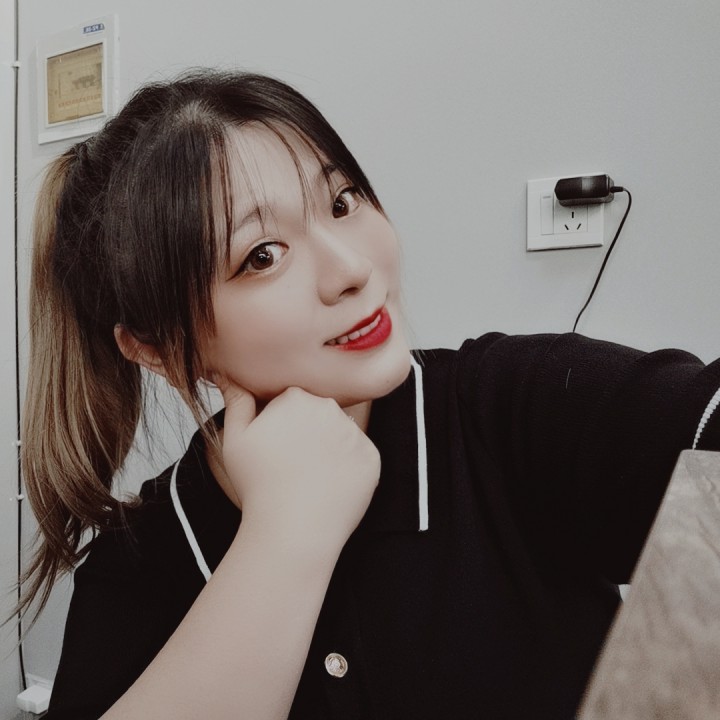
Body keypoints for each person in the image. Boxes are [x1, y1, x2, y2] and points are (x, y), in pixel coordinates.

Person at [20, 69, 720, 720]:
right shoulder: (139, 566)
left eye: (341, 202)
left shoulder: (514, 403)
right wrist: (285, 532)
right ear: (155, 345)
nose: (352, 268)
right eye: (262, 255)